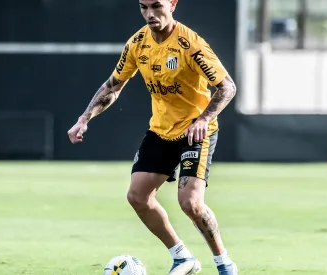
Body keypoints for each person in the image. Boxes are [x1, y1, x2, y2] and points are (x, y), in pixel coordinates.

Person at [67, 0, 238, 274]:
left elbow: (227, 87)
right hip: (160, 131)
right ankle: (183, 258)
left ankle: (224, 263)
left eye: (156, 6)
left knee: (191, 203)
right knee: (137, 196)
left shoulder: (191, 44)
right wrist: (84, 118)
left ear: (172, 4)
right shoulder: (137, 44)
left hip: (195, 132)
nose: (150, 14)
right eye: (143, 7)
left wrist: (204, 119)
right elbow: (114, 85)